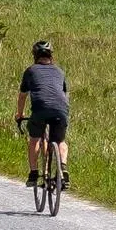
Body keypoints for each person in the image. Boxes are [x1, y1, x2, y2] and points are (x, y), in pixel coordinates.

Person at [15, 40, 70, 188]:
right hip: (61, 109)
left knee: (34, 139)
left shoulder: (31, 71)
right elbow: (65, 94)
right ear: (51, 55)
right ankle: (63, 169)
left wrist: (19, 114)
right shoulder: (60, 71)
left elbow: (22, 96)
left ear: (35, 55)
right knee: (61, 141)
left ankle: (33, 174)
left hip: (40, 109)